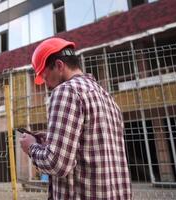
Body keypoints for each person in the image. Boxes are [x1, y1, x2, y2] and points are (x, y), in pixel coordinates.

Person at [19, 37, 132, 199]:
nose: (46, 83)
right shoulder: (107, 97)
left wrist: (30, 147)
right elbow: (88, 148)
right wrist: (50, 141)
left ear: (59, 65)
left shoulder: (65, 91)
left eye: (45, 76)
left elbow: (56, 163)